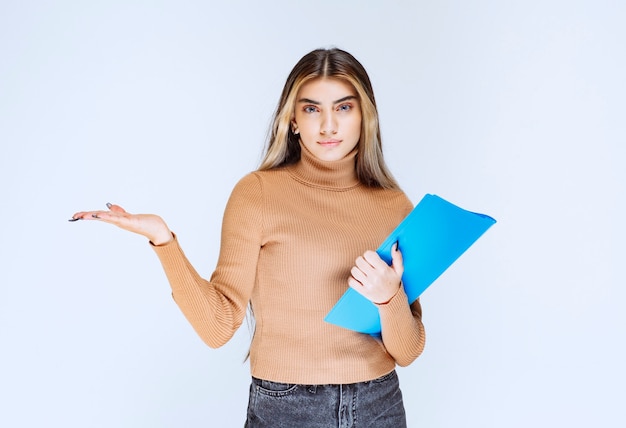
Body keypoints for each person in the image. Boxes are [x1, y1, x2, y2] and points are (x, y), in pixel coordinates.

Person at [71, 47, 426, 427]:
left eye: (343, 108)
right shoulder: (257, 194)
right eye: (311, 109)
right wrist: (164, 242)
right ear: (292, 120)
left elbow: (407, 350)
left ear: (364, 116)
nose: (328, 126)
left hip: (379, 405)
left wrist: (390, 298)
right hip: (287, 408)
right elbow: (218, 326)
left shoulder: (394, 204)